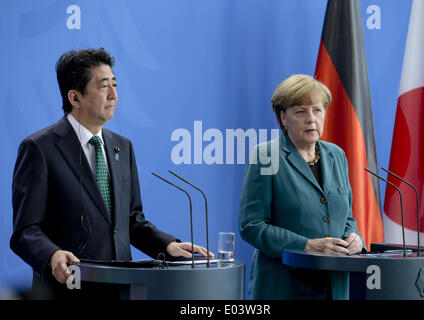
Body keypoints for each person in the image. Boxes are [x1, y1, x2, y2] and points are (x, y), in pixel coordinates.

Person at [10, 48, 213, 299]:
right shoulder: (39, 148)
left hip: (120, 288)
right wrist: (52, 255)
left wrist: (166, 244)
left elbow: (131, 220)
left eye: (115, 84)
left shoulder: (122, 146)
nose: (114, 95)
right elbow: (25, 231)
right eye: (104, 86)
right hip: (68, 289)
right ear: (75, 98)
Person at [239, 74, 365, 300]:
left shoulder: (336, 155)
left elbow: (346, 216)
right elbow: (251, 225)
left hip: (335, 287)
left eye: (317, 110)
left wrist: (353, 236)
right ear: (283, 118)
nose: (311, 119)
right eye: (300, 111)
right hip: (285, 287)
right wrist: (306, 246)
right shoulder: (267, 156)